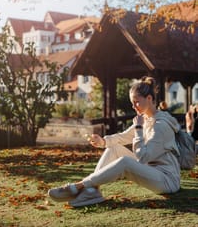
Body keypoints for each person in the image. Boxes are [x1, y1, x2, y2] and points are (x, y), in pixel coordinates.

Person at [48, 76, 181, 208]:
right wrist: (103, 141)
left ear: (149, 98)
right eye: (132, 103)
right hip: (152, 170)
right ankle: (92, 191)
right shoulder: (145, 119)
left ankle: (80, 186)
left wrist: (139, 130)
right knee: (114, 148)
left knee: (125, 162)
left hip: (167, 180)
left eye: (136, 102)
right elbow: (123, 137)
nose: (134, 106)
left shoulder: (161, 126)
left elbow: (143, 157)